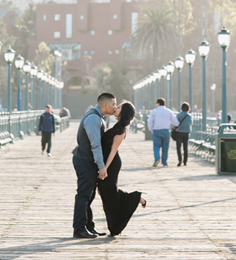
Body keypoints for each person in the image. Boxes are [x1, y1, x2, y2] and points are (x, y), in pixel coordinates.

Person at [98, 101, 146, 236]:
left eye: (118, 107)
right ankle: (135, 200)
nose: (115, 108)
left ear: (123, 112)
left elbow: (113, 151)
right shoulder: (116, 126)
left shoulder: (121, 130)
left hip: (111, 164)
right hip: (107, 163)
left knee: (109, 193)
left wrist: (104, 168)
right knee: (105, 192)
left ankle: (135, 199)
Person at [72, 92, 116, 239]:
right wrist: (101, 166)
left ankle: (88, 227)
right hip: (85, 160)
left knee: (89, 196)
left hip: (87, 160)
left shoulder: (98, 117)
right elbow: (95, 145)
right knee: (83, 195)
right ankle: (79, 229)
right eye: (113, 104)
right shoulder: (93, 119)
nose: (114, 107)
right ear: (105, 105)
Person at [147, 97, 177, 168]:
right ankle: (164, 162)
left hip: (157, 130)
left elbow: (150, 121)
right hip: (166, 130)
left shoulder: (154, 111)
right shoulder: (169, 111)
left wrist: (151, 129)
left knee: (156, 146)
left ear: (158, 104)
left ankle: (157, 159)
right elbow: (175, 122)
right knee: (165, 147)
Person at [174, 102, 192, 167]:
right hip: (186, 133)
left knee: (178, 147)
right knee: (185, 148)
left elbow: (175, 123)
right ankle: (185, 162)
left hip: (179, 132)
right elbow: (190, 124)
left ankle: (180, 160)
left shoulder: (178, 115)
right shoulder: (189, 116)